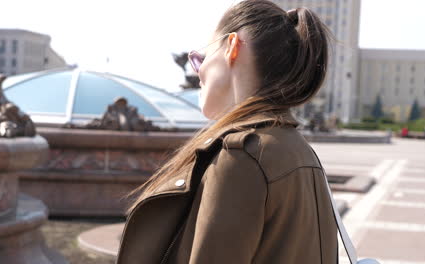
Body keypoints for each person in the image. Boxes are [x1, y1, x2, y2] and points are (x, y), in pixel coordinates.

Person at [117, 1, 337, 263]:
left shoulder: (241, 157)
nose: (198, 73)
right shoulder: (299, 149)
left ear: (232, 47)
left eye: (202, 58)